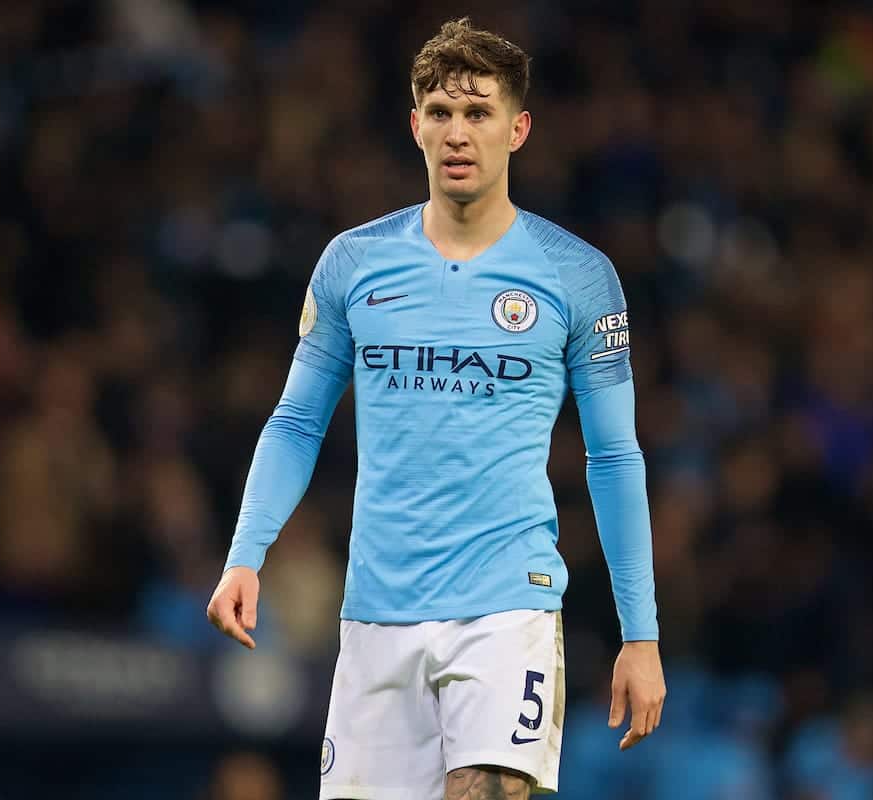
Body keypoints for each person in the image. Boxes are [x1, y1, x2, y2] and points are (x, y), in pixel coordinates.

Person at [207, 17, 666, 799]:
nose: (459, 133)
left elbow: (614, 457)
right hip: (377, 611)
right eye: (442, 113)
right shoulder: (353, 263)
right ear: (414, 124)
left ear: (517, 129)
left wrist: (641, 634)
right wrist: (246, 553)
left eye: (479, 113)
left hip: (505, 608)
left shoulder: (576, 277)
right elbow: (296, 421)